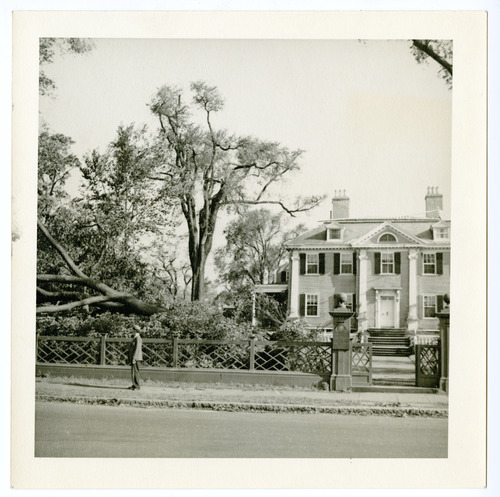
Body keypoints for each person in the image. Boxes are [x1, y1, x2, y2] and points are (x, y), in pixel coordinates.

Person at [128, 325, 143, 390]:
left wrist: (134, 358)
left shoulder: (138, 338)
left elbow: (137, 349)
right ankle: (134, 385)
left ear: (135, 331)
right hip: (135, 357)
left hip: (136, 358)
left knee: (135, 371)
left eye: (133, 330)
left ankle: (137, 386)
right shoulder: (135, 338)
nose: (132, 331)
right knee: (134, 371)